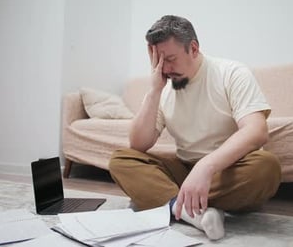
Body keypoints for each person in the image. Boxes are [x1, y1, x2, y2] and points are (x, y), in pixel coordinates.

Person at [109, 15, 281, 240]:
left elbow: (256, 131)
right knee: (121, 160)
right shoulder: (163, 87)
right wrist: (154, 90)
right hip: (184, 169)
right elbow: (138, 144)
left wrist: (206, 167)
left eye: (170, 59)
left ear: (193, 48)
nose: (165, 69)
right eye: (159, 61)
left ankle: (170, 201)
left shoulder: (231, 73)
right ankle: (196, 213)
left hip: (227, 170)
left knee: (267, 167)